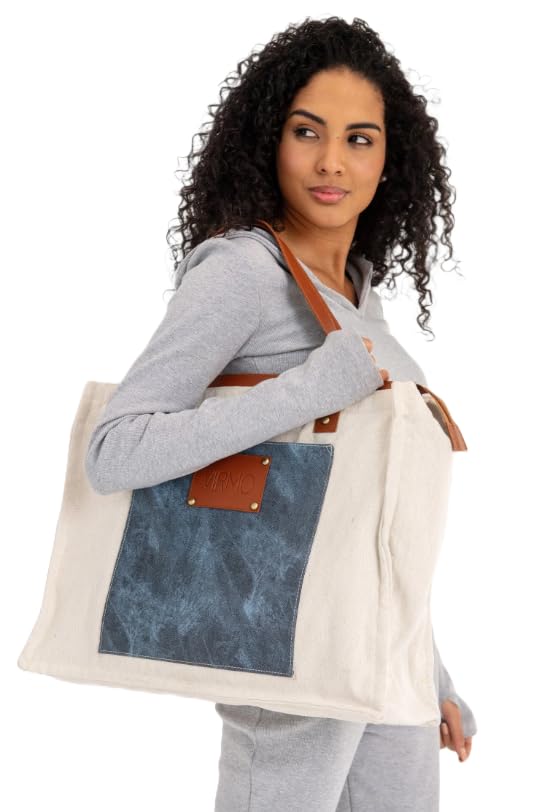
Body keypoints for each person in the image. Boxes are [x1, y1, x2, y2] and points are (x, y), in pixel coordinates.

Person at [85, 15, 477, 812]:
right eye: (306, 132)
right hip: (288, 648)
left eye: (359, 139)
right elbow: (114, 451)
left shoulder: (361, 297)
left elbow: (374, 525)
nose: (331, 161)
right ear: (269, 141)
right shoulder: (242, 272)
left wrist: (428, 672)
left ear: (389, 160)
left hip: (389, 669)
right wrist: (303, 390)